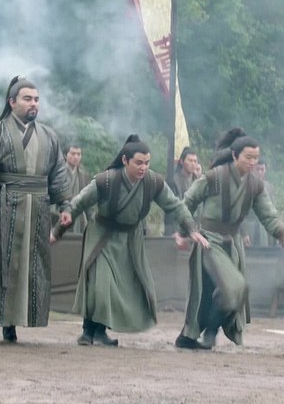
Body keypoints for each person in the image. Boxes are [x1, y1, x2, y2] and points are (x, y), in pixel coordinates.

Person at [53, 135, 208, 347]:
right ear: (125, 161)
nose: (143, 167)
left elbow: (175, 206)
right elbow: (79, 202)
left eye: (147, 163)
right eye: (138, 163)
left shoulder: (153, 182)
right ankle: (88, 331)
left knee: (120, 288)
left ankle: (100, 332)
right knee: (101, 284)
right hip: (103, 236)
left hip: (130, 240)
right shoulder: (106, 180)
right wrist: (59, 229)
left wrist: (190, 229)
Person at [0, 75, 72, 345]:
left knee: (24, 269)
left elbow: (59, 174)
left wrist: (65, 204)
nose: (34, 104)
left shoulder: (49, 136)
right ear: (12, 102)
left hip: (36, 211)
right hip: (1, 206)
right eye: (27, 99)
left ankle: (10, 325)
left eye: (37, 99)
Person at [174, 128, 284, 350]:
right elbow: (187, 202)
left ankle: (191, 336)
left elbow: (268, 215)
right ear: (234, 155)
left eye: (256, 158)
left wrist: (283, 234)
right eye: (248, 157)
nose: (253, 162)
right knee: (234, 288)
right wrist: (186, 232)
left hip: (233, 243)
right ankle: (208, 334)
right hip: (209, 242)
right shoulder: (213, 177)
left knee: (223, 291)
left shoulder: (255, 185)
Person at [52, 143, 91, 234]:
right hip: (61, 215)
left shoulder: (84, 175)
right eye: (73, 154)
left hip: (80, 218)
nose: (76, 157)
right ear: (65, 155)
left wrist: (91, 220)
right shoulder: (58, 174)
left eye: (78, 154)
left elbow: (88, 201)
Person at [241, 158, 278, 247]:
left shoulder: (269, 188)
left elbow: (272, 211)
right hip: (249, 228)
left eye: (262, 169)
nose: (260, 172)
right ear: (252, 169)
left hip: (264, 229)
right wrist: (244, 233)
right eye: (257, 169)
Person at [165, 147, 199, 235]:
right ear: (182, 161)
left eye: (195, 161)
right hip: (177, 223)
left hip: (195, 223)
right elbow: (172, 207)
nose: (193, 164)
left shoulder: (198, 181)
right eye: (190, 161)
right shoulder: (173, 181)